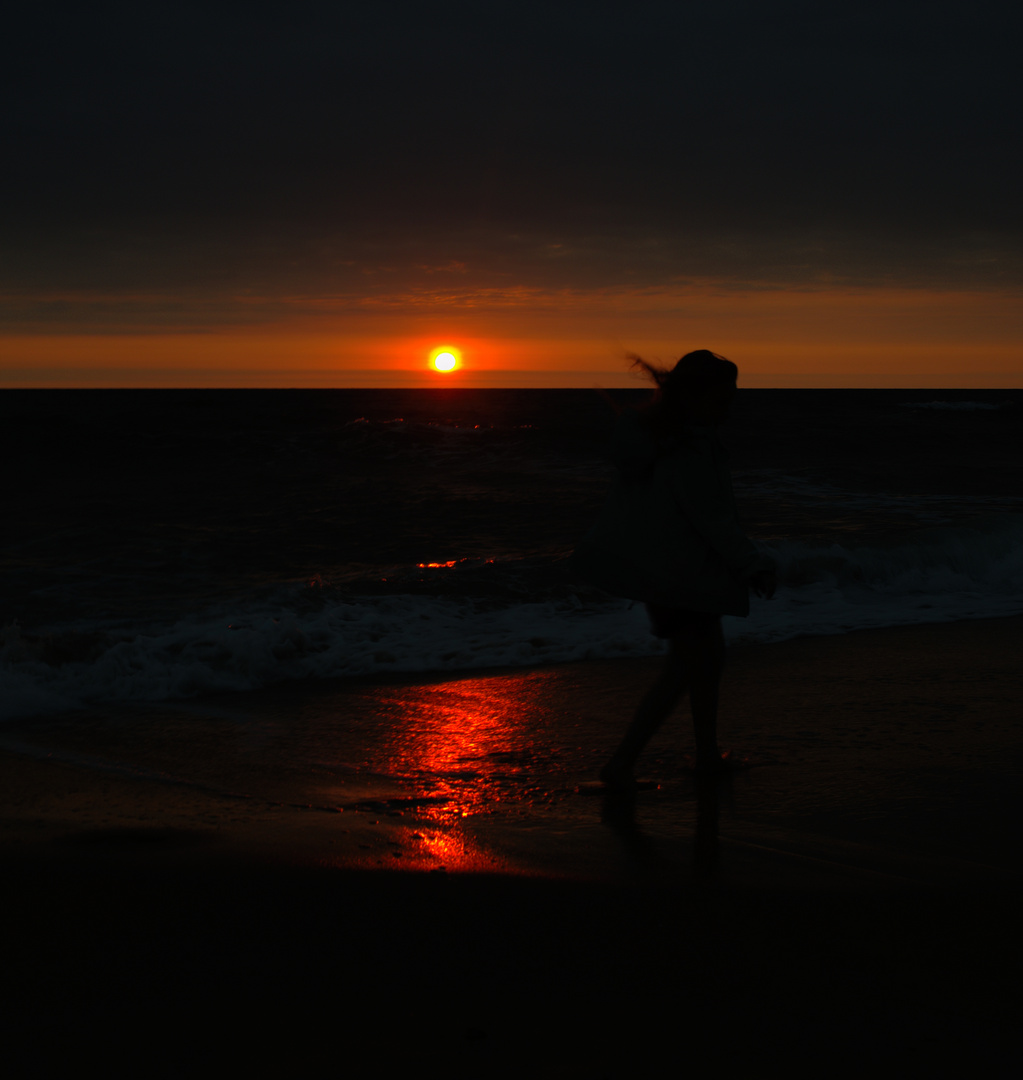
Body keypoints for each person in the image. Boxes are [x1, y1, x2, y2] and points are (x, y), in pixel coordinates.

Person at [574, 350, 776, 783]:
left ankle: (703, 757)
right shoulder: (688, 446)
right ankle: (621, 765)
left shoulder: (659, 439)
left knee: (704, 663)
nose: (731, 404)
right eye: (725, 396)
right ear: (696, 397)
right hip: (683, 574)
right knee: (686, 669)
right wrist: (751, 565)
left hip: (668, 573)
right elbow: (710, 517)